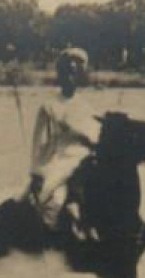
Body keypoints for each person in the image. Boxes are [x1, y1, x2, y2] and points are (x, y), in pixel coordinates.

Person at [27, 47, 101, 235]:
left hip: (85, 162)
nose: (70, 77)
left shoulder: (86, 106)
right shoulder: (49, 106)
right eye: (67, 72)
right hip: (60, 162)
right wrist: (36, 172)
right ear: (60, 75)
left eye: (75, 73)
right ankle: (49, 245)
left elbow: (95, 138)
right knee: (54, 203)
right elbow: (39, 144)